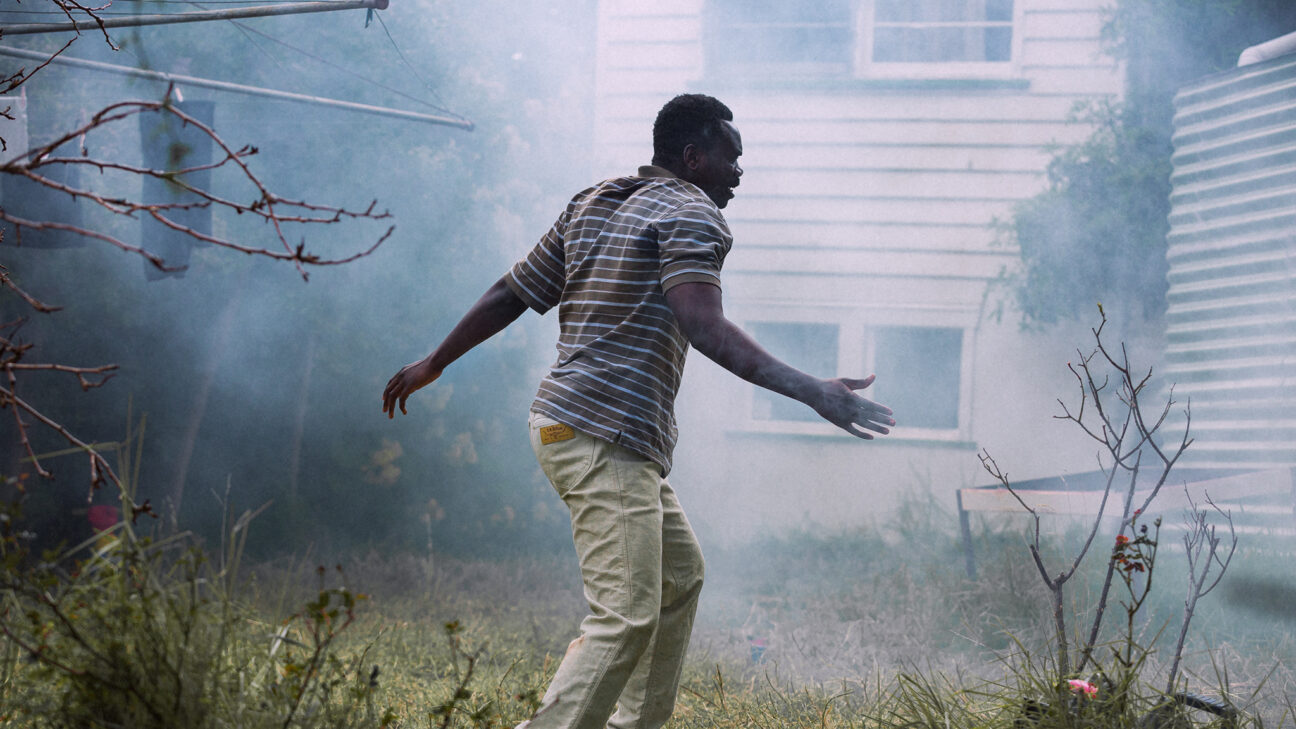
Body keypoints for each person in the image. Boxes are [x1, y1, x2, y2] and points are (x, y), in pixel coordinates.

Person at [382, 93, 893, 729]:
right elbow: (705, 328)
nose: (739, 173)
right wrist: (813, 391)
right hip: (603, 431)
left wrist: (436, 361)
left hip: (570, 424)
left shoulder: (595, 201)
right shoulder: (693, 214)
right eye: (731, 157)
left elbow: (511, 292)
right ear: (693, 157)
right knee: (625, 616)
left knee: (679, 578)